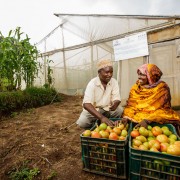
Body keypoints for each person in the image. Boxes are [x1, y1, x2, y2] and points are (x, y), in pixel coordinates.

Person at [123, 63, 180, 133]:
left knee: (166, 117)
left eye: (142, 75)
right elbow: (130, 106)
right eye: (138, 74)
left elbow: (163, 109)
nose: (139, 77)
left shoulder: (162, 88)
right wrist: (126, 117)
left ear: (151, 76)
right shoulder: (135, 88)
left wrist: (147, 120)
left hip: (155, 114)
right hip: (138, 114)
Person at [76, 59, 123, 129]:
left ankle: (110, 124)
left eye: (111, 72)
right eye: (106, 72)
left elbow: (117, 98)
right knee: (82, 122)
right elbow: (86, 104)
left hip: (107, 108)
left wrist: (116, 103)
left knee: (119, 110)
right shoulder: (92, 83)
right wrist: (102, 117)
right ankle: (97, 125)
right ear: (99, 72)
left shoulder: (114, 82)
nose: (109, 75)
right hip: (94, 110)